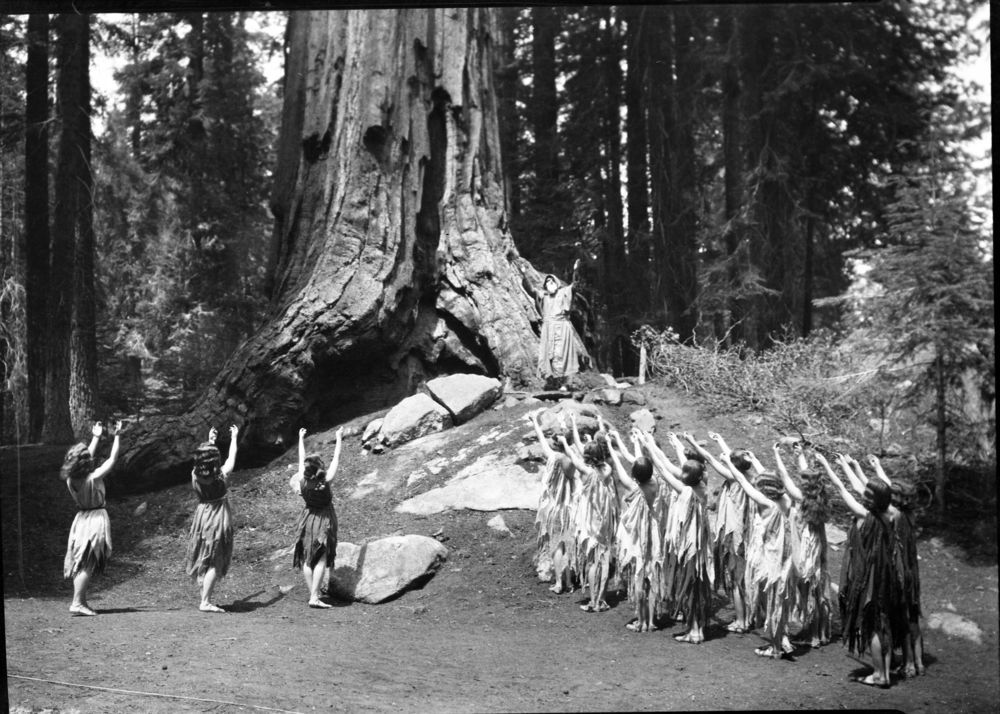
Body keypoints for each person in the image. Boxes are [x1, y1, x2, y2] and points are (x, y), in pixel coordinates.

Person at [822, 463, 901, 688]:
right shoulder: (892, 514)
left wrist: (828, 466)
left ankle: (878, 675)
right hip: (886, 576)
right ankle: (885, 673)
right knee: (883, 623)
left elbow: (841, 488)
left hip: (871, 578)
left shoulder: (864, 515)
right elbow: (865, 488)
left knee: (873, 625)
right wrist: (851, 466)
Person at [723, 451, 798, 659]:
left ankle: (775, 647)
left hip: (768, 561)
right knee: (780, 601)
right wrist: (755, 460)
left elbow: (741, 480)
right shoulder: (786, 501)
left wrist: (729, 462)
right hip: (785, 559)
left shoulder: (765, 503)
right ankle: (783, 637)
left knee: (771, 602)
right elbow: (772, 480)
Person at [641, 431, 714, 644]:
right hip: (701, 549)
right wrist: (675, 446)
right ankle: (698, 628)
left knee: (689, 587)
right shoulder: (703, 487)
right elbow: (685, 467)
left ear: (687, 477)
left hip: (689, 548)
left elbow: (663, 470)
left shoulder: (685, 491)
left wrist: (650, 447)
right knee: (698, 587)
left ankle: (694, 631)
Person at [687, 431, 752, 635]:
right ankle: (747, 617)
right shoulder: (748, 476)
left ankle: (741, 621)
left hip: (734, 533)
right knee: (740, 577)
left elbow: (709, 458)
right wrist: (720, 440)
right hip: (744, 531)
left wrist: (691, 441)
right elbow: (734, 460)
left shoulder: (734, 478)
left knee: (735, 579)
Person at [608, 431, 669, 633]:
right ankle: (651, 621)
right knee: (651, 575)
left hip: (637, 535)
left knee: (639, 575)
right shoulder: (657, 483)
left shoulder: (632, 486)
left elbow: (619, 467)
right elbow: (649, 465)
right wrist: (644, 443)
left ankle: (640, 621)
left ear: (634, 475)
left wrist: (612, 447)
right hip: (653, 531)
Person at [62, 420, 123, 616]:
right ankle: (77, 602)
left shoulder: (71, 480)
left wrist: (96, 437)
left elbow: (82, 459)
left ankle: (80, 601)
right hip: (95, 520)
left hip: (81, 520)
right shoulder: (93, 478)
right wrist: (117, 436)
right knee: (87, 561)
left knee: (81, 560)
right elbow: (112, 459)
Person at [773, 442, 832, 648]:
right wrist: (800, 455)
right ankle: (819, 633)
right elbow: (807, 475)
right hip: (818, 549)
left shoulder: (800, 498)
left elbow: (784, 476)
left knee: (805, 591)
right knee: (817, 590)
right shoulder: (820, 499)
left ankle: (812, 635)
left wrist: (776, 454)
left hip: (804, 550)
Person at [562, 416, 618, 613]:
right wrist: (593, 443)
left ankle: (593, 601)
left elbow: (572, 451)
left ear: (587, 457)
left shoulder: (585, 471)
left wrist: (566, 438)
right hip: (604, 519)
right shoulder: (607, 469)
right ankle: (602, 599)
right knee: (604, 558)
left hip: (590, 520)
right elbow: (592, 454)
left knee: (593, 561)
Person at [186, 425, 239, 612]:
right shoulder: (221, 476)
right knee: (216, 559)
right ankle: (205, 602)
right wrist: (234, 438)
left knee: (203, 554)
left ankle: (204, 596)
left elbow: (204, 462)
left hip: (202, 515)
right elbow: (231, 457)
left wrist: (211, 441)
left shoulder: (194, 475)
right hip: (218, 517)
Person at [289, 427, 342, 608]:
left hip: (307, 518)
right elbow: (336, 458)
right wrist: (339, 438)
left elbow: (300, 460)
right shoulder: (326, 480)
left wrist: (300, 438)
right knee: (321, 557)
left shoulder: (301, 481)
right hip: (324, 518)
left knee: (307, 558)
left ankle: (314, 594)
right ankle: (314, 597)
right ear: (320, 468)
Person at [528, 409, 579, 593]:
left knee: (556, 546)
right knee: (568, 545)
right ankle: (570, 582)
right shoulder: (572, 463)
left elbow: (541, 440)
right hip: (569, 509)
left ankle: (558, 583)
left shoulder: (552, 458)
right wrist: (569, 426)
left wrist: (535, 421)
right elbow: (576, 448)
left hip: (553, 510)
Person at [528, 259, 590, 387]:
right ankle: (554, 382)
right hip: (548, 328)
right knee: (549, 355)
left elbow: (575, 285)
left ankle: (564, 384)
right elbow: (531, 290)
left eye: (552, 281)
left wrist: (575, 271)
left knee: (560, 354)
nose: (550, 283)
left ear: (556, 283)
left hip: (562, 327)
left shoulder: (564, 292)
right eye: (547, 282)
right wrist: (524, 274)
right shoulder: (544, 296)